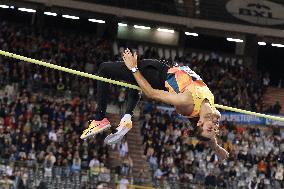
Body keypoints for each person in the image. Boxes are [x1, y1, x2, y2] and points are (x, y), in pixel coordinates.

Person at [81, 49, 229, 160]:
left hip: (157, 73)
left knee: (104, 69)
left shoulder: (186, 101)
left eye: (210, 127)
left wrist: (133, 67)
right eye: (215, 129)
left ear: (200, 123)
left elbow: (151, 93)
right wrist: (217, 148)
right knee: (134, 83)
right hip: (163, 72)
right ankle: (126, 117)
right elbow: (209, 135)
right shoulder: (214, 111)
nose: (216, 126)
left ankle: (100, 119)